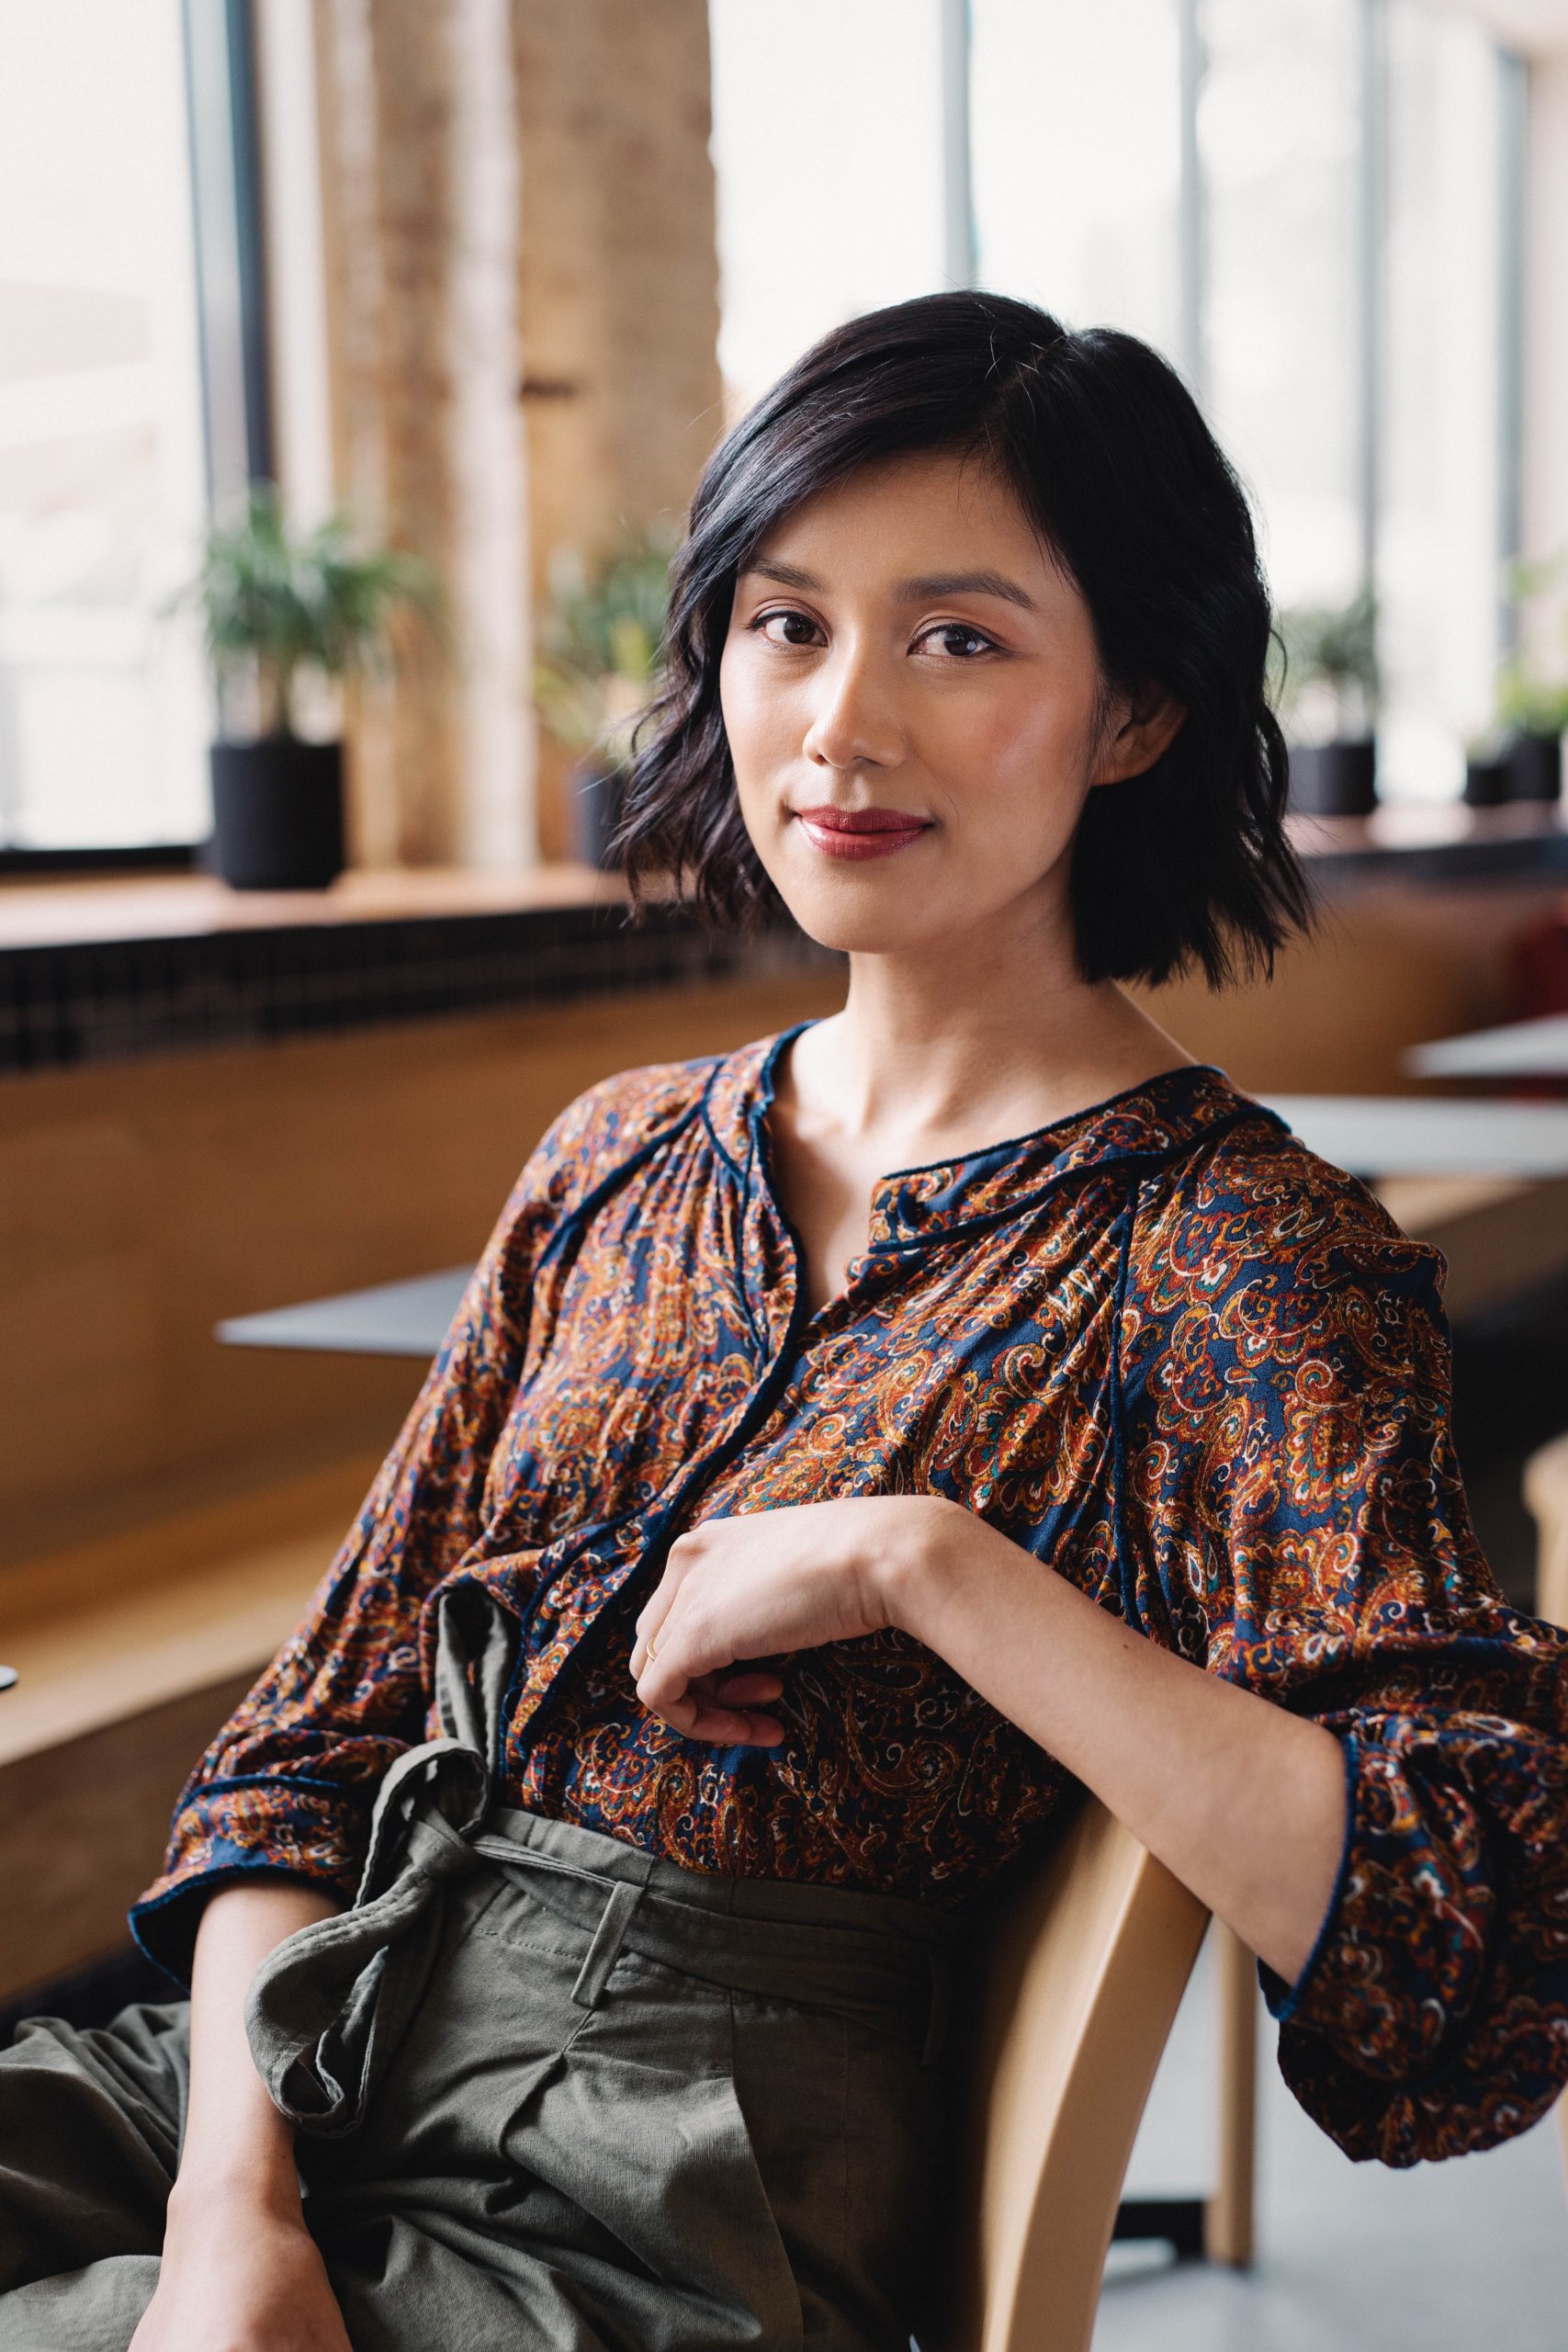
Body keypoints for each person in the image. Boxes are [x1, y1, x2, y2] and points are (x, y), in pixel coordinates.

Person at [4, 289, 1567, 2352]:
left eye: (958, 637)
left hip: (663, 2194)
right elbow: (310, 1739)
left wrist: (926, 1565)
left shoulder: (1229, 1258)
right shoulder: (617, 1156)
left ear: (1137, 711)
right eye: (782, 620)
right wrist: (232, 2206)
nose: (838, 723)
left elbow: (1462, 1950)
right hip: (299, 2056)